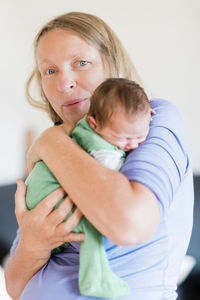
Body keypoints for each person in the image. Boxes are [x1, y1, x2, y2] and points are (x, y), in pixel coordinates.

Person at [4, 11, 194, 300]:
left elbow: (129, 224)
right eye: (50, 70)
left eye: (81, 63)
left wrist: (50, 141)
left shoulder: (155, 120)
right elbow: (15, 287)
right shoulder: (53, 164)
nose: (63, 83)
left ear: (111, 64)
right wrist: (33, 244)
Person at [25, 78, 153, 298]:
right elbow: (109, 192)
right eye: (123, 138)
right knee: (92, 228)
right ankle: (94, 279)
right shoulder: (104, 153)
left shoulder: (99, 124)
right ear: (94, 124)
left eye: (140, 136)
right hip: (44, 196)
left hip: (37, 193)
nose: (132, 145)